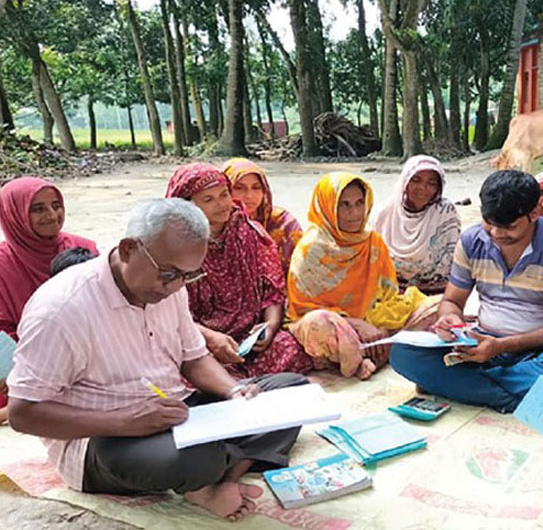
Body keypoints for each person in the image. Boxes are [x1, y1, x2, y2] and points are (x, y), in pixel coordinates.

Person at [6, 199, 308, 521]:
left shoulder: (169, 287)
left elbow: (193, 357)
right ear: (127, 250)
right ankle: (209, 474)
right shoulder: (60, 310)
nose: (177, 286)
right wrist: (127, 421)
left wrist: (233, 391)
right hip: (101, 439)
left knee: (292, 391)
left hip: (173, 411)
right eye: (169, 274)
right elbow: (23, 414)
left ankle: (223, 479)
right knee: (194, 458)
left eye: (188, 276)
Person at [390, 170, 543, 413]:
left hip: (538, 353)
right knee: (403, 352)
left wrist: (501, 346)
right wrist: (450, 318)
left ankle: (468, 387)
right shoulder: (472, 240)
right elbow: (452, 300)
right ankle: (513, 397)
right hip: (479, 344)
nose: (496, 235)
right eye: (490, 224)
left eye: (508, 227)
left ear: (534, 214)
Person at [166, 163, 312, 379]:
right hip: (197, 339)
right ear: (186, 206)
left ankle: (235, 380)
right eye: (208, 199)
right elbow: (165, 314)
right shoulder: (171, 245)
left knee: (289, 347)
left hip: (247, 338)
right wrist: (209, 337)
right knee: (180, 370)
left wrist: (270, 326)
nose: (221, 204)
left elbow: (272, 288)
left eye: (224, 194)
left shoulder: (250, 232)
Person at [287, 173, 438, 380]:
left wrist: (379, 327)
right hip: (337, 327)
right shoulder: (311, 248)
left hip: (373, 324)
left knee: (437, 307)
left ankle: (369, 351)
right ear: (328, 207)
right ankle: (361, 358)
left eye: (359, 203)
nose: (355, 212)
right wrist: (357, 325)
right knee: (320, 324)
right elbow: (304, 309)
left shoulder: (372, 241)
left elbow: (388, 296)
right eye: (345, 205)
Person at [0, 177, 97, 426]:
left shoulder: (82, 248)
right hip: (22, 358)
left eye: (56, 205)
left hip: (82, 349)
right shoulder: (2, 263)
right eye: (38, 209)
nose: (52, 215)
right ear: (14, 214)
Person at [373, 155, 462, 294]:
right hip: (389, 290)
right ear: (405, 182)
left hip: (434, 293)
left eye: (431, 183)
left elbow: (451, 260)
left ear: (439, 188)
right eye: (416, 180)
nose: (423, 188)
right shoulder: (384, 213)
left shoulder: (445, 213)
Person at [223, 158, 303, 277]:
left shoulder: (283, 223)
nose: (249, 196)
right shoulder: (216, 225)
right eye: (239, 188)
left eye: (256, 188)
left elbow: (302, 269)